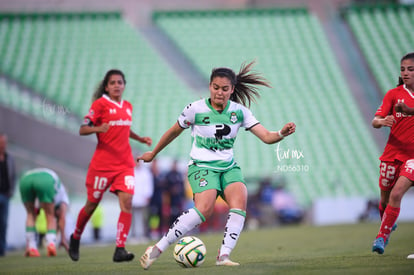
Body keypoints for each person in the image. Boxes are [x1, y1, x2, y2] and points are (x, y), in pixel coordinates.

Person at [137, 61, 296, 269]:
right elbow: (173, 131)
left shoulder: (240, 112)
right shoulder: (195, 109)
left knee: (240, 203)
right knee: (204, 209)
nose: (219, 92)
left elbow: (266, 137)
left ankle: (223, 257)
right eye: (215, 87)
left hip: (228, 168)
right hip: (202, 166)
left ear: (232, 90)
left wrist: (281, 133)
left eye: (224, 89)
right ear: (210, 86)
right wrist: (154, 153)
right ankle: (156, 249)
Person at [68, 69, 152, 262]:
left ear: (124, 85)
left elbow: (124, 128)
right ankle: (75, 237)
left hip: (124, 164)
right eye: (112, 82)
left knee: (127, 202)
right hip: (102, 166)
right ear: (106, 87)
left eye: (120, 82)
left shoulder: (128, 106)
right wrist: (98, 128)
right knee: (91, 205)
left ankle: (120, 249)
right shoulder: (99, 105)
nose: (116, 85)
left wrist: (139, 138)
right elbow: (83, 129)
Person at [371, 52, 414, 254]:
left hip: (412, 157)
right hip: (392, 154)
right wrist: (383, 121)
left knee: (397, 194)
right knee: (385, 200)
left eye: (410, 69)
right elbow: (375, 120)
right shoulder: (393, 94)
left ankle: (381, 237)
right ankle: (387, 222)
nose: (406, 73)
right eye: (403, 69)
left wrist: (409, 110)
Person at [19, 168, 62, 257]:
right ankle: (51, 244)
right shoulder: (62, 193)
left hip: (25, 179)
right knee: (50, 215)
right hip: (46, 180)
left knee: (30, 214)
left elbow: (36, 209)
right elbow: (61, 214)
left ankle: (31, 247)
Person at [35, 181, 71, 251]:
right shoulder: (62, 198)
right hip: (44, 225)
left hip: (43, 225)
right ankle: (51, 243)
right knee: (53, 221)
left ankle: (51, 242)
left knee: (55, 222)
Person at [0, 133, 16, 256]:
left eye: (5, 142)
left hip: (6, 195)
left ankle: (2, 249)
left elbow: (13, 175)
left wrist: (11, 191)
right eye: (2, 142)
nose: (3, 144)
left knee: (4, 223)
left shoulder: (9, 157)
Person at [130, 161, 154, 243]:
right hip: (133, 198)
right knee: (132, 218)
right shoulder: (131, 172)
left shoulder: (146, 173)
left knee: (144, 218)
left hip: (143, 198)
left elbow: (149, 185)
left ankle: (144, 235)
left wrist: (148, 195)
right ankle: (133, 236)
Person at [164, 160, 185, 225]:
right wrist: (171, 190)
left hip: (178, 199)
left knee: (178, 215)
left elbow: (182, 186)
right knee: (170, 215)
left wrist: (182, 195)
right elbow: (165, 187)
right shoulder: (168, 175)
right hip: (170, 200)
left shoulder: (179, 174)